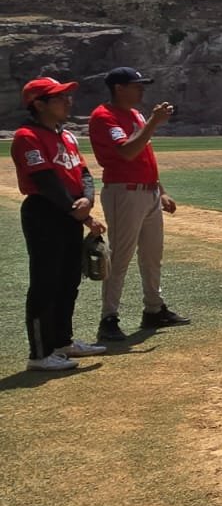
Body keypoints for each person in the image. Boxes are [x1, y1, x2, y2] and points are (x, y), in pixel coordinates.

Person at [12, 77, 108, 371]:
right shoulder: (27, 136)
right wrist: (73, 208)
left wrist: (88, 202)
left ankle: (62, 342)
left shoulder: (66, 136)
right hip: (45, 212)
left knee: (69, 280)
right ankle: (39, 355)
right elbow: (45, 180)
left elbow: (85, 173)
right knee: (45, 283)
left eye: (67, 96)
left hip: (69, 213)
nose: (68, 101)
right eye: (59, 97)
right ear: (39, 104)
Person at [87, 66, 189, 342]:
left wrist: (161, 190)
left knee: (152, 255)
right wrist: (153, 122)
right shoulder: (104, 116)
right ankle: (108, 318)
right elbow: (128, 152)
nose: (142, 88)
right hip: (124, 192)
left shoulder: (134, 114)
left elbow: (146, 155)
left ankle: (154, 309)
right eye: (136, 85)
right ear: (119, 88)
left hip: (148, 193)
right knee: (120, 256)